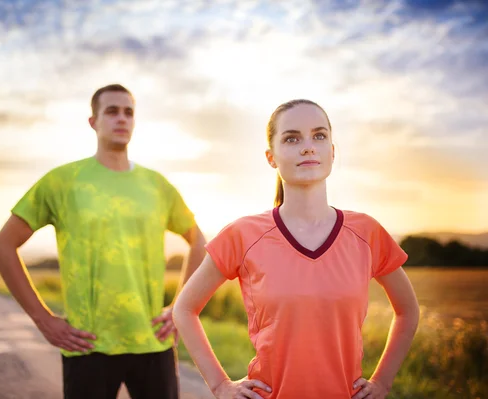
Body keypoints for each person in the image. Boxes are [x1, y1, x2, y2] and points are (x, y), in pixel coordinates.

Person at [172, 99, 420, 399]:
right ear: (271, 157)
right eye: (292, 138)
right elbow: (185, 309)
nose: (308, 147)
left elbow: (407, 310)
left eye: (319, 136)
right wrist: (220, 385)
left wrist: (382, 382)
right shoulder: (242, 234)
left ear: (332, 151)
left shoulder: (367, 233)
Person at [0, 83, 206, 399]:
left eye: (129, 112)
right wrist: (43, 319)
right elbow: (2, 248)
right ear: (93, 121)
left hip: (150, 341)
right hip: (87, 344)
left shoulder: (157, 185)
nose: (122, 119)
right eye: (112, 111)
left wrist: (180, 308)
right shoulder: (63, 182)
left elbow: (199, 242)